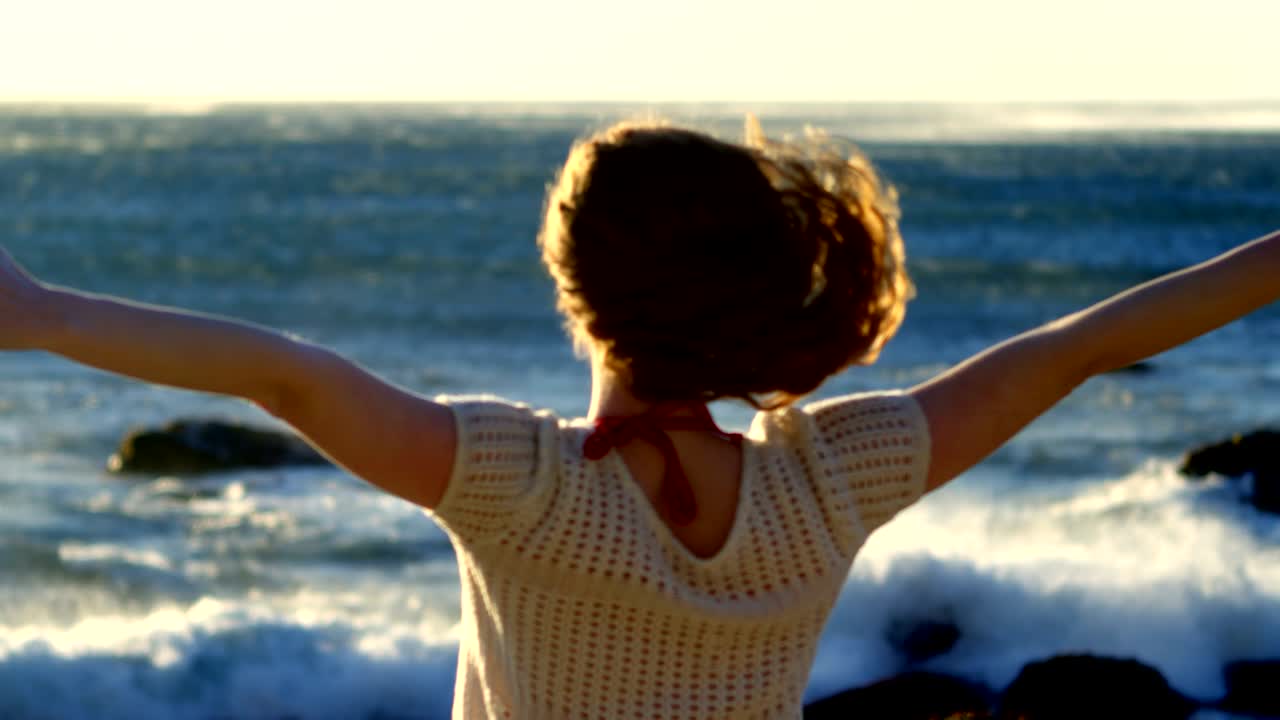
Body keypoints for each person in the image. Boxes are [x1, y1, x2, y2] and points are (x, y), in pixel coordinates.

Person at [0, 120, 1276, 719]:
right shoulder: (837, 476)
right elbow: (1081, 344)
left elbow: (285, 375)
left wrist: (45, 311)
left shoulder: (516, 480)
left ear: (575, 293)